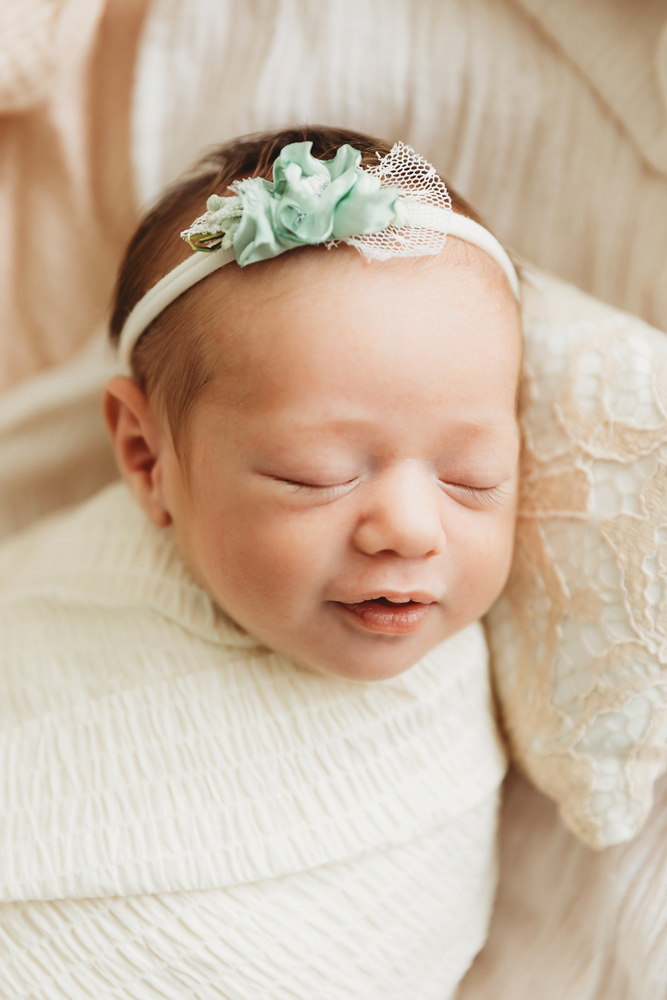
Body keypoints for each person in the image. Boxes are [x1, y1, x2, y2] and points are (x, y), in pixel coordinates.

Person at [0, 126, 521, 998]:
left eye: (472, 478)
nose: (407, 528)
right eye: (313, 476)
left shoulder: (452, 719)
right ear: (145, 457)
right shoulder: (68, 593)